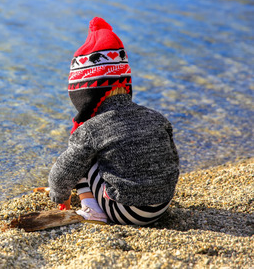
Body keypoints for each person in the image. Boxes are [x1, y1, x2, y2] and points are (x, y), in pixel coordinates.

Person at [48, 17, 180, 225]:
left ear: (84, 93)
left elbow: (62, 173)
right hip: (162, 205)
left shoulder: (92, 129)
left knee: (82, 158)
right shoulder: (156, 118)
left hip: (127, 211)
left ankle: (92, 209)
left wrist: (59, 194)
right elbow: (171, 160)